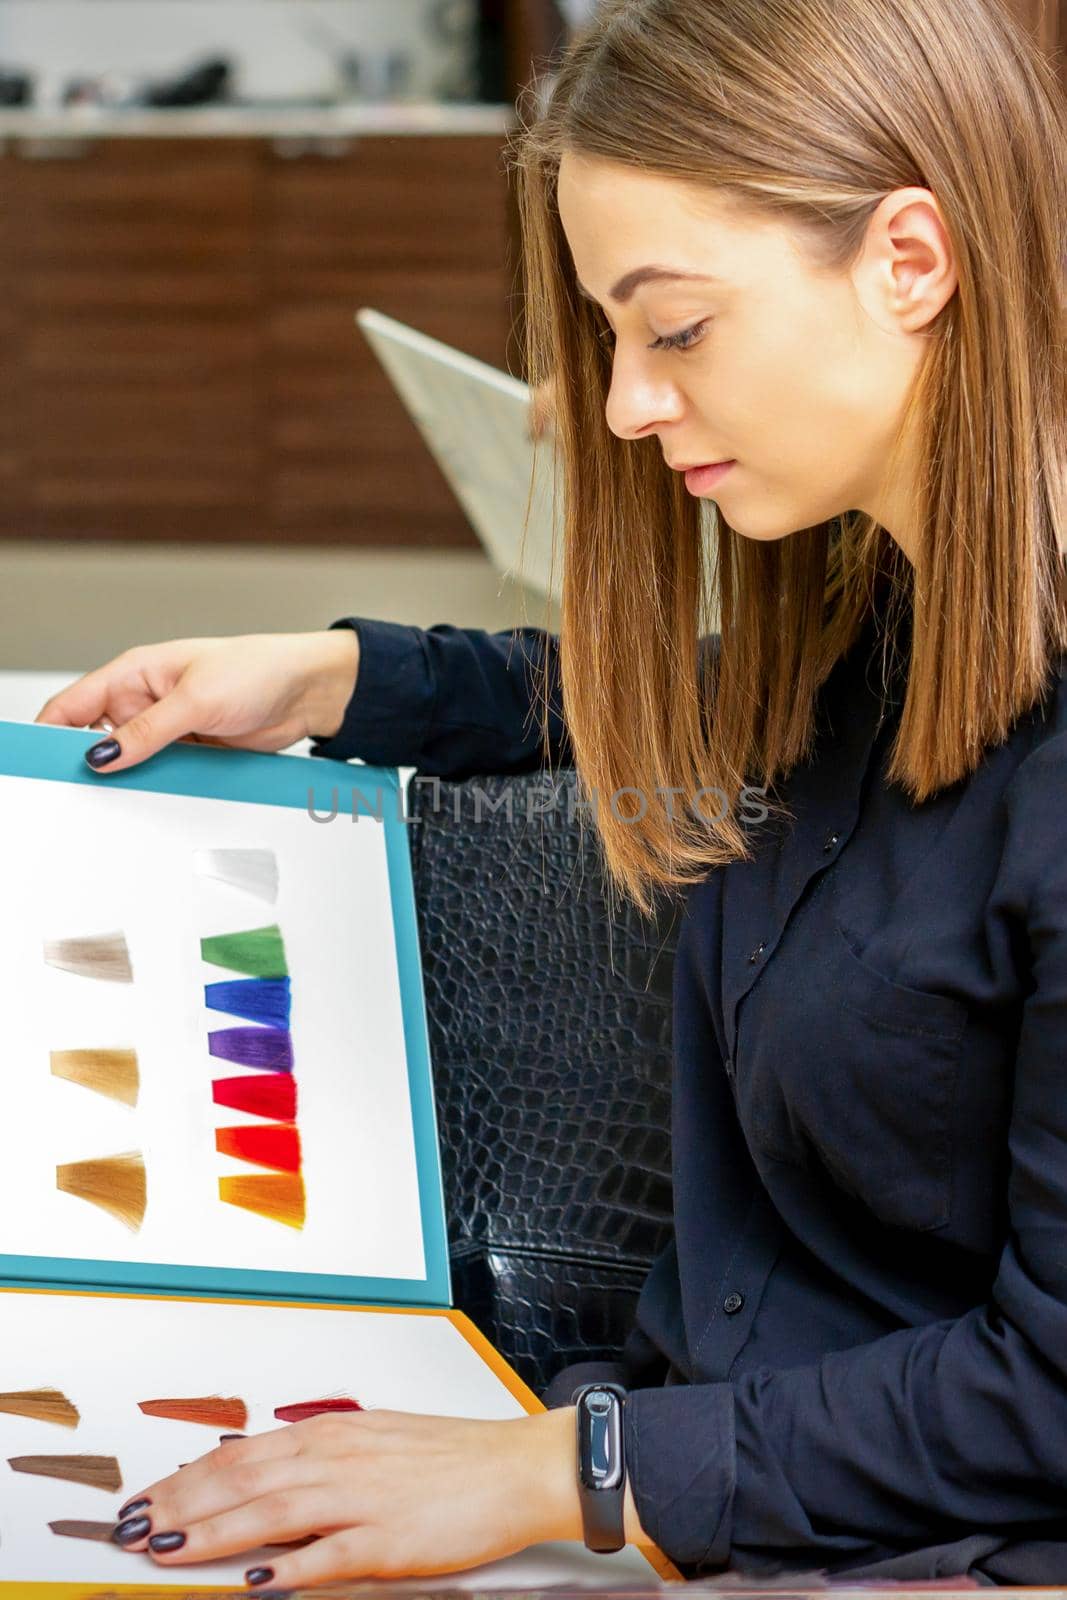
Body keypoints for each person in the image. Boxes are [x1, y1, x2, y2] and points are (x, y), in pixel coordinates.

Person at [35, 0, 1067, 1586]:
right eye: (608, 337)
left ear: (909, 260)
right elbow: (707, 697)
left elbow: (1050, 1396)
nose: (624, 407)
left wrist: (569, 1474)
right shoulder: (893, 617)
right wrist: (339, 677)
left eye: (677, 327)